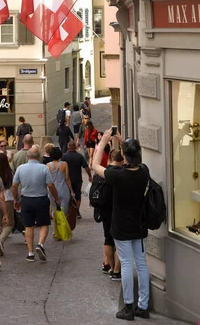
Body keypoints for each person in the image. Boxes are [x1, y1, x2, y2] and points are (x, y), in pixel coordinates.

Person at [93, 130, 150, 321]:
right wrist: (122, 142)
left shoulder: (116, 174)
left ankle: (128, 306)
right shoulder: (144, 171)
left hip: (121, 226)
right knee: (141, 264)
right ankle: (143, 306)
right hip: (139, 225)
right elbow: (133, 157)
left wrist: (103, 142)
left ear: (124, 156)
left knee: (126, 264)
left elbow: (95, 165)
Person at [12, 146, 60, 262]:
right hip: (41, 199)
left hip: (26, 199)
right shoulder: (44, 168)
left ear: (27, 157)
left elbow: (14, 185)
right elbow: (50, 185)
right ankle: (40, 244)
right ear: (38, 157)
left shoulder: (20, 168)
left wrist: (16, 199)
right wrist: (56, 198)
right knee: (44, 223)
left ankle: (30, 252)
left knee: (28, 226)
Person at [100, 149, 124, 280]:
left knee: (108, 239)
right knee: (120, 241)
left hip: (105, 210)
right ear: (122, 160)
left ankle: (109, 265)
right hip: (119, 210)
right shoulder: (122, 173)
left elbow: (94, 164)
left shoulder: (103, 172)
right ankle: (116, 270)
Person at [62, 140, 92, 218]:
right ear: (75, 147)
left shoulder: (64, 156)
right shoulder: (79, 156)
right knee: (78, 196)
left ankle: (69, 212)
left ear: (68, 147)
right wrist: (90, 176)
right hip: (77, 179)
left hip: (66, 179)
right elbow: (86, 167)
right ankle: (77, 211)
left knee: (68, 195)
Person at [0, 152, 14, 256]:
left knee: (0, 224)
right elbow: (14, 186)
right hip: (8, 199)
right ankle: (1, 241)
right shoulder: (10, 173)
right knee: (9, 224)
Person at [47, 147, 74, 216]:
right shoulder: (64, 164)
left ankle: (56, 224)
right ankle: (63, 225)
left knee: (54, 210)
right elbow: (67, 178)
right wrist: (71, 191)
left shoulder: (48, 165)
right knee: (64, 211)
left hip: (52, 189)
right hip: (63, 189)